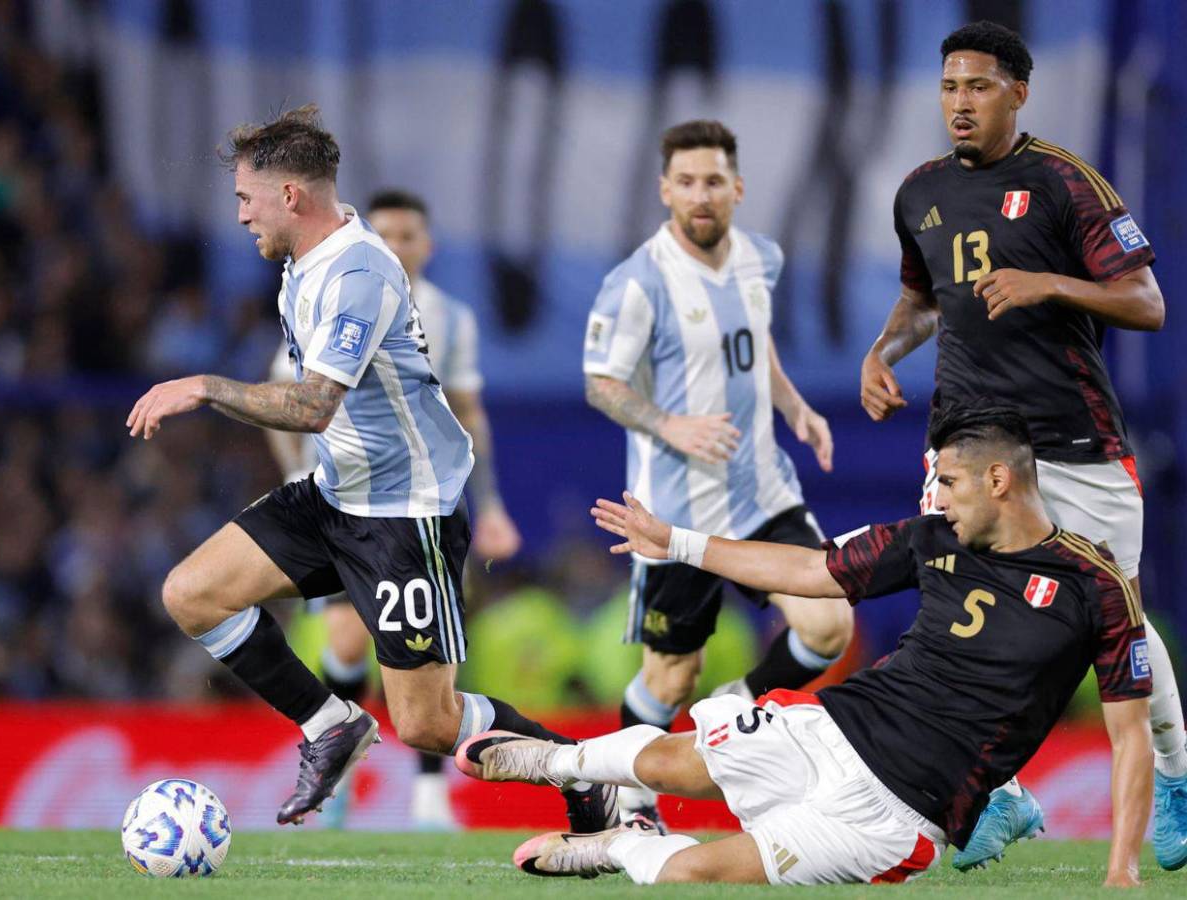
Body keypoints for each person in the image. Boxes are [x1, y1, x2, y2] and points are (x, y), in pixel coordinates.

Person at [125, 105, 613, 832]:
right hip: (336, 494)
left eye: (244, 198)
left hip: (403, 513)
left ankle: (588, 775)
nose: (239, 216)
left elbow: (316, 405)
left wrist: (205, 386)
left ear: (291, 195)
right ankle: (330, 724)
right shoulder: (303, 263)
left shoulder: (359, 273)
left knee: (427, 723)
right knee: (193, 593)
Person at [458, 404, 1152, 887]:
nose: (934, 496)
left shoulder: (1095, 587)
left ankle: (615, 845)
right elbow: (804, 570)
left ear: (998, 481)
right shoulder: (929, 537)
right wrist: (678, 544)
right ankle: (555, 759)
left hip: (901, 814)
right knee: (675, 762)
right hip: (838, 727)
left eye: (946, 482)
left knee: (693, 874)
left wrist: (1122, 867)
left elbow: (1129, 739)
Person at [858, 20, 1186, 870]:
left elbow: (1147, 301)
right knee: (953, 623)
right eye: (948, 88)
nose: (958, 103)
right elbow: (926, 301)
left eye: (976, 87)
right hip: (966, 445)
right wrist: (881, 352)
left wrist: (1049, 282)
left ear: (1018, 92)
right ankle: (997, 800)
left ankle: (1178, 779)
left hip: (1074, 445)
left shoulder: (1063, 183)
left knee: (1122, 627)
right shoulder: (919, 192)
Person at [582, 119, 853, 827]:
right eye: (686, 182)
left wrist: (794, 404)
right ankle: (628, 797)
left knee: (829, 625)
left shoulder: (762, 257)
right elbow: (601, 383)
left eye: (713, 181)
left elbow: (751, 341)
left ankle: (736, 704)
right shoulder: (636, 282)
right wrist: (669, 424)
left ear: (737, 187)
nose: (701, 195)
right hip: (677, 515)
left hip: (762, 492)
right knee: (671, 677)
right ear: (664, 189)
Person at [264, 189, 524, 830]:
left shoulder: (451, 317)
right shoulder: (331, 288)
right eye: (387, 235)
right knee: (348, 642)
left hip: (422, 501)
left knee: (427, 656)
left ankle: (430, 796)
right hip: (342, 500)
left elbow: (468, 414)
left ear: (428, 245)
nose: (398, 246)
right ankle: (341, 770)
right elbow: (282, 397)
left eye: (409, 235)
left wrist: (489, 504)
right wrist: (298, 470)